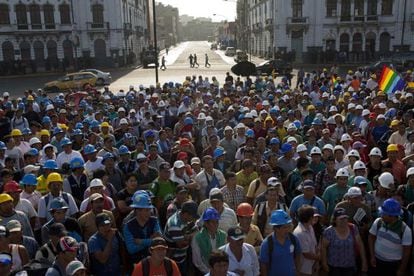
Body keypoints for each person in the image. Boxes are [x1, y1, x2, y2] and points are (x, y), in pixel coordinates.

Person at [368, 199, 412, 276]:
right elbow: (371, 238)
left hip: (393, 265)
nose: (381, 215)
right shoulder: (378, 222)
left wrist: (402, 269)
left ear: (392, 216)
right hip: (377, 261)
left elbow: (407, 252)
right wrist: (372, 256)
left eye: (383, 213)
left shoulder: (405, 230)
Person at [321, 207, 368, 275]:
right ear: (334, 220)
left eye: (345, 218)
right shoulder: (329, 231)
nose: (344, 220)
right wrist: (324, 263)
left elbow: (360, 245)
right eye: (341, 218)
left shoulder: (353, 228)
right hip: (334, 267)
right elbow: (323, 247)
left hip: (350, 266)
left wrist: (364, 262)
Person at [122, 190, 161, 266]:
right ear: (137, 210)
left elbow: (159, 241)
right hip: (137, 263)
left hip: (154, 261)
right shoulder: (127, 226)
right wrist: (150, 240)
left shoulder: (154, 221)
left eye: (149, 209)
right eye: (146, 210)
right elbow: (131, 249)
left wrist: (140, 241)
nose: (149, 212)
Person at [259, 210, 301, 276]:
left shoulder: (294, 239)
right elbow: (263, 264)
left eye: (288, 226)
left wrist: (297, 270)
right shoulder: (267, 244)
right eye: (284, 227)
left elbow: (298, 255)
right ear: (276, 228)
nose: (287, 229)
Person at [164, 200, 199, 274]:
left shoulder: (188, 219)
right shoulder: (174, 224)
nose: (194, 219)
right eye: (193, 216)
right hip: (173, 259)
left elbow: (197, 231)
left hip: (183, 257)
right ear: (186, 214)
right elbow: (181, 244)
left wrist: (187, 236)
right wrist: (190, 237)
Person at [192, 207, 227, 275]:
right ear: (206, 223)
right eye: (213, 222)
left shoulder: (223, 235)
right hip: (204, 272)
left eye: (217, 222)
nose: (216, 224)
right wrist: (210, 272)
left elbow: (226, 256)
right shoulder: (197, 238)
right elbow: (197, 261)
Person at [293, 205, 319, 276]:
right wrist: (320, 258)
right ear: (310, 217)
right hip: (303, 269)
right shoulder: (299, 233)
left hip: (312, 266)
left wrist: (316, 263)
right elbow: (306, 254)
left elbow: (315, 245)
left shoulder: (310, 227)